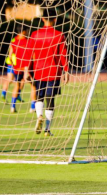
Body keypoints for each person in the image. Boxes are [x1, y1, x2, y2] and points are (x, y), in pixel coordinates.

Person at [30, 8, 69, 136]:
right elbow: (63, 55)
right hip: (54, 71)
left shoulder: (35, 35)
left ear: (42, 19)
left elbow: (29, 54)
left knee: (39, 97)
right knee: (50, 99)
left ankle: (39, 115)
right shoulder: (59, 35)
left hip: (39, 71)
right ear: (55, 19)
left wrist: (26, 70)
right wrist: (66, 71)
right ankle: (47, 129)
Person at [8, 24, 34, 113]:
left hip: (17, 68)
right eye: (26, 31)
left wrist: (13, 65)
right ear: (23, 31)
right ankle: (32, 107)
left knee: (17, 85)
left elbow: (10, 56)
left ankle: (12, 106)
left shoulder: (14, 42)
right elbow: (32, 55)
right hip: (28, 68)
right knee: (33, 86)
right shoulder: (29, 41)